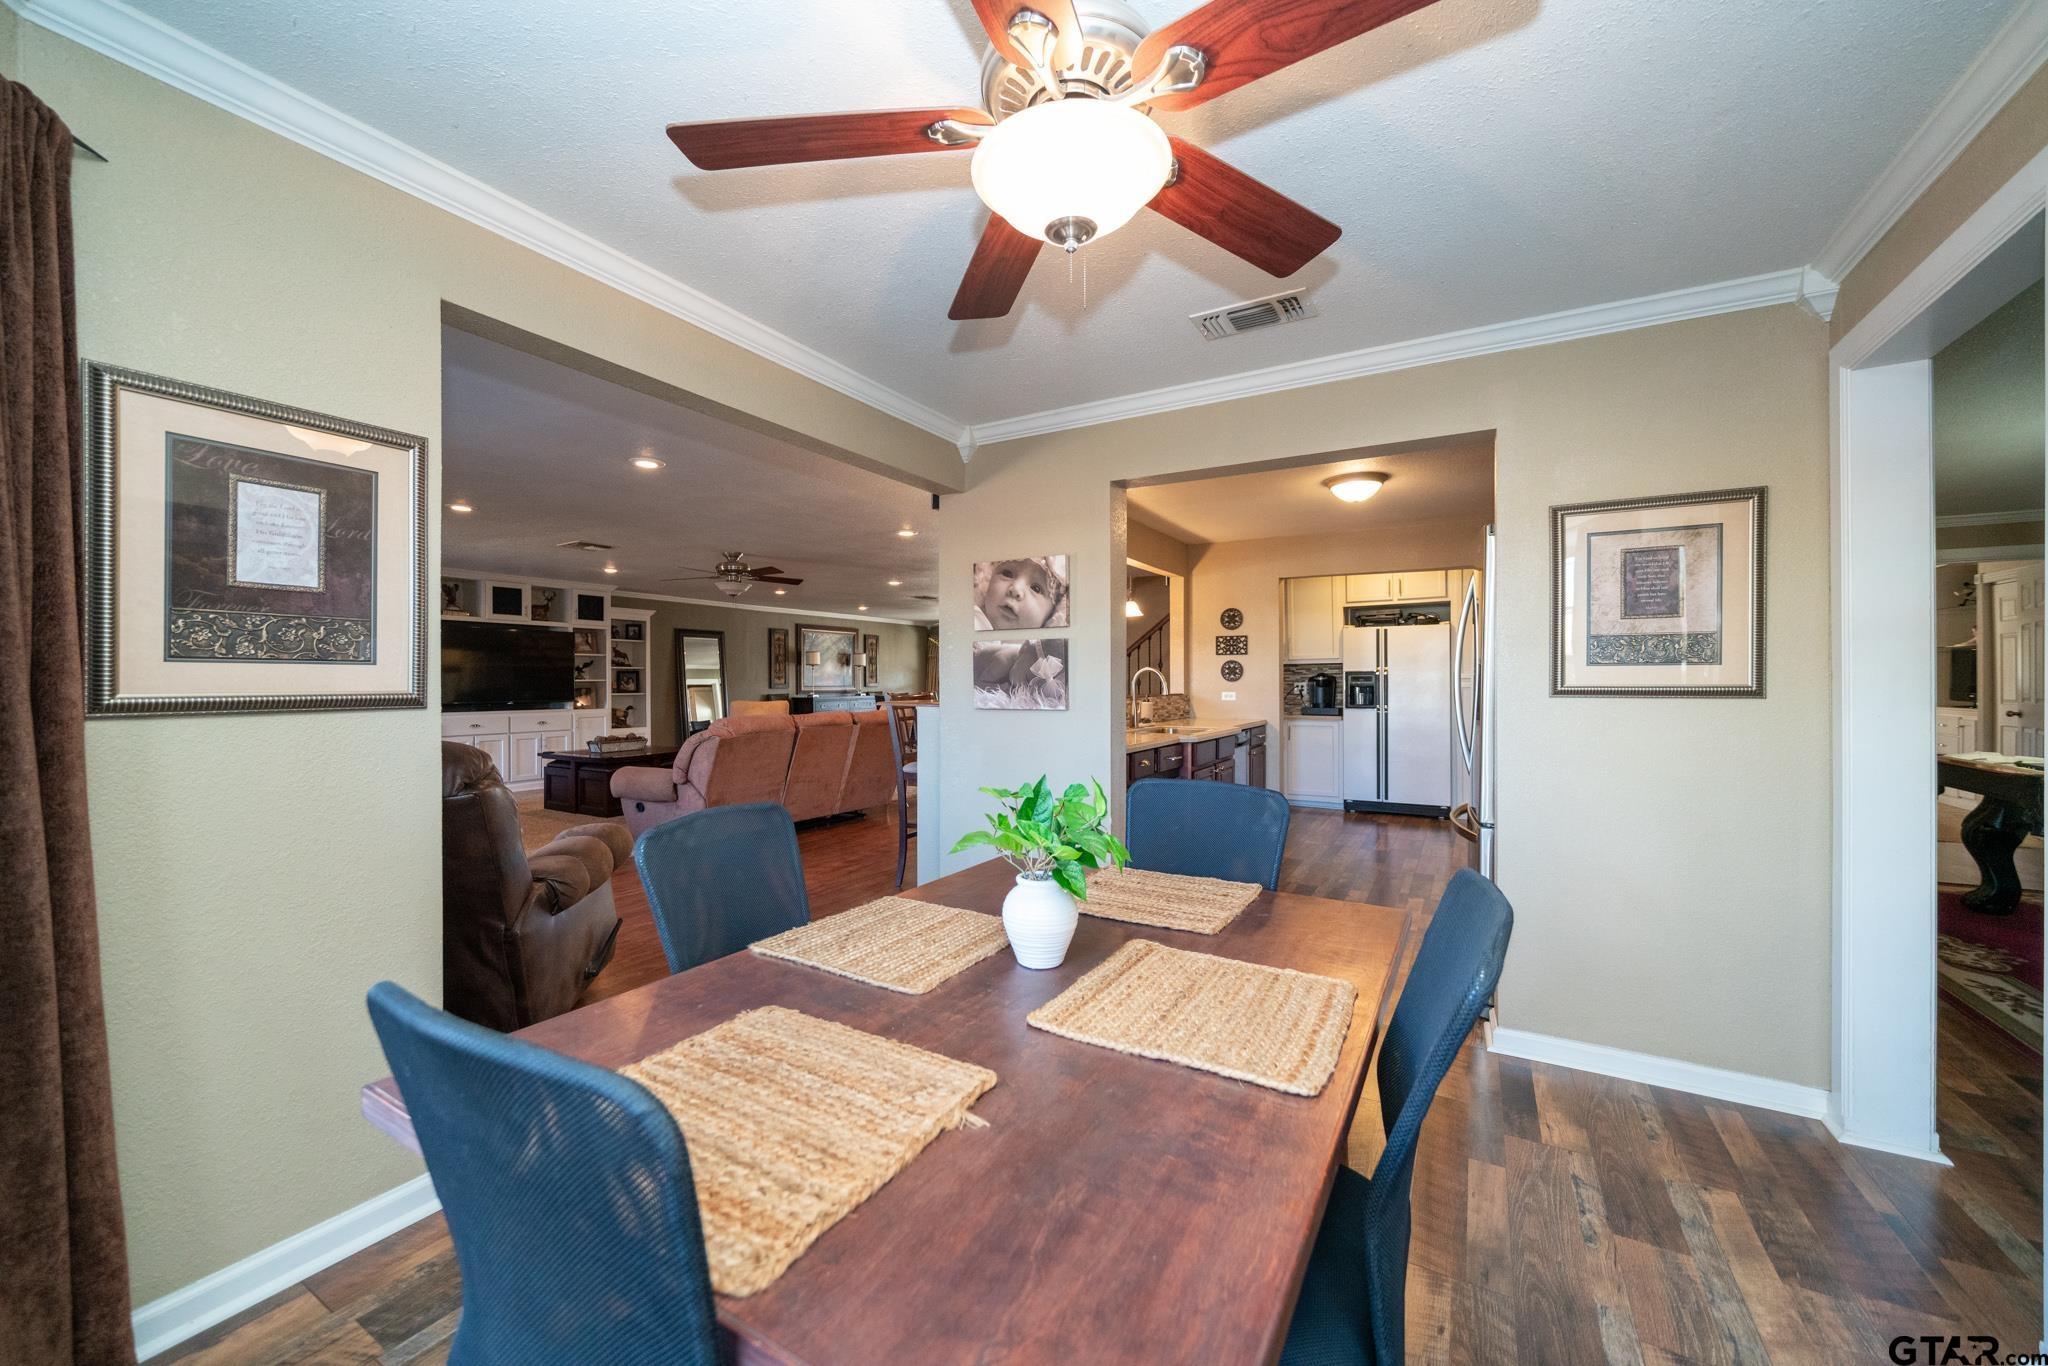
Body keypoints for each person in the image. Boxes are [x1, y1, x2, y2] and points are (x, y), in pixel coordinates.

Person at [973, 557, 1068, 630]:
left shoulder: (1047, 653)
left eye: (1036, 588)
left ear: (1051, 614)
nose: (1016, 589)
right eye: (1007, 574)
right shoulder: (970, 621)